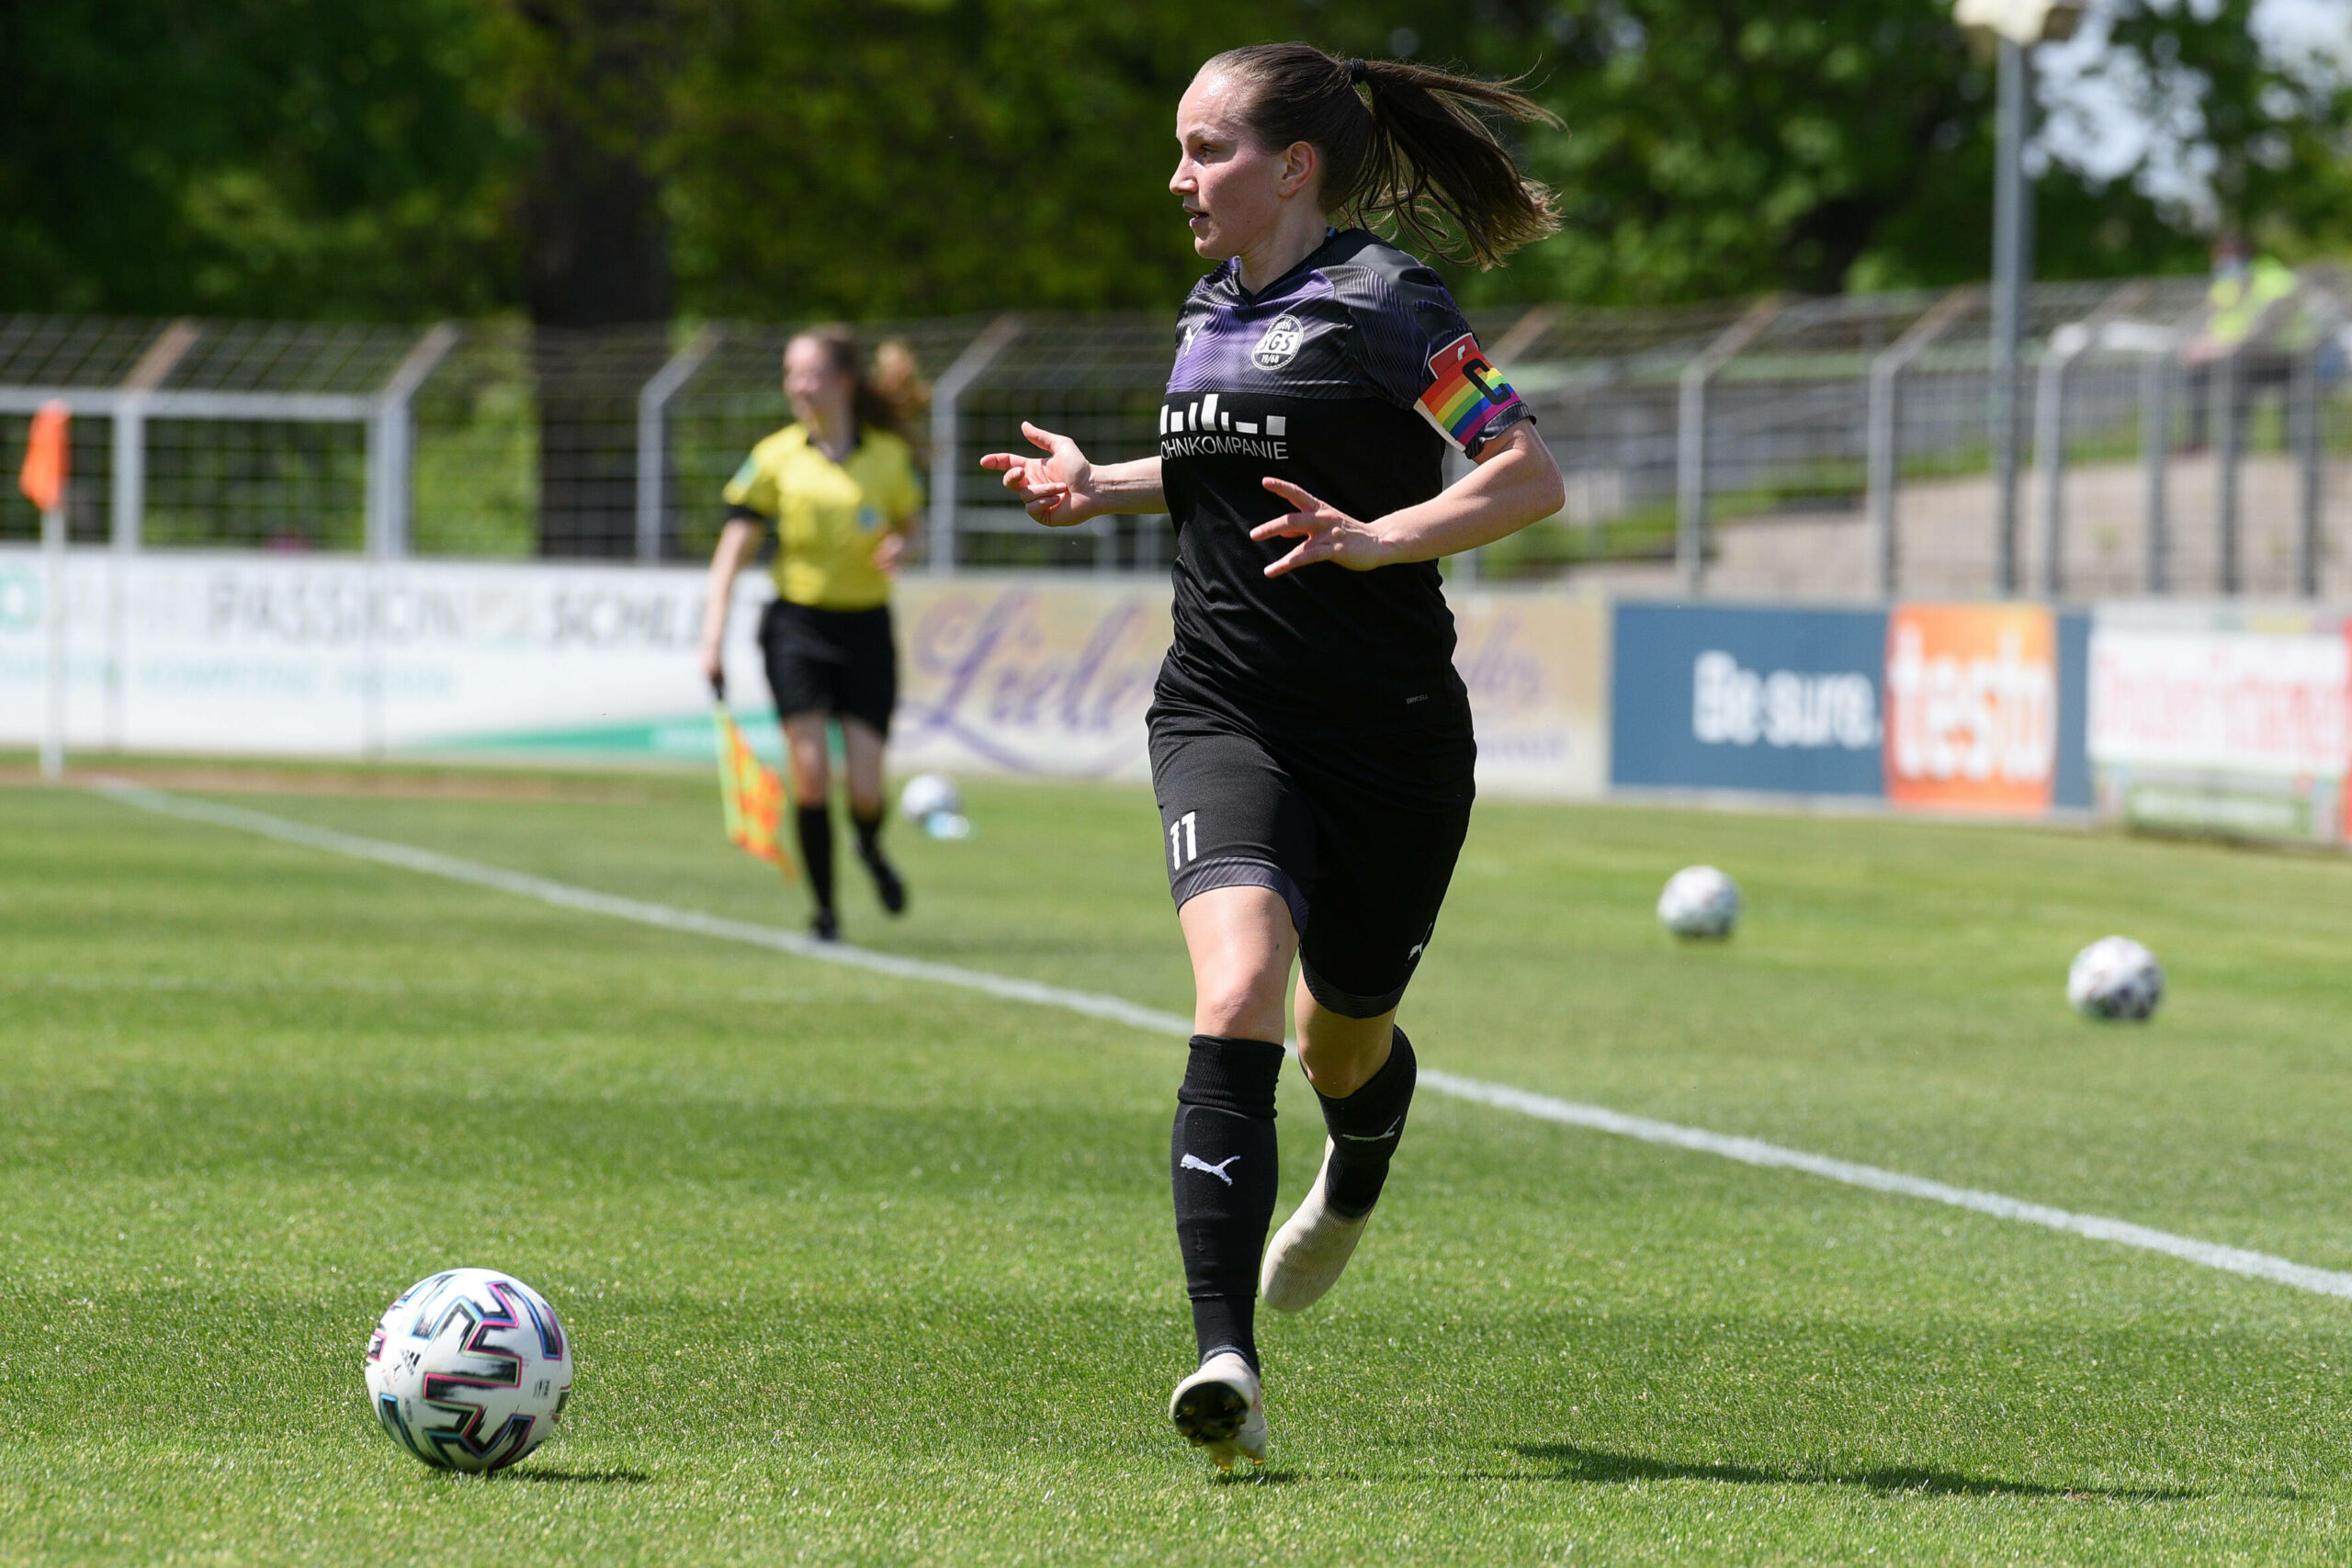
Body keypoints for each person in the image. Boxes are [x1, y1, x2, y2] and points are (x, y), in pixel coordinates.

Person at [983, 44, 1566, 1471]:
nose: (1179, 179)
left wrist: (1379, 537)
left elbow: (1523, 472)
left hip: (1392, 745)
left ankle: (1355, 1164)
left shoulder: (1388, 302)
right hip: (1222, 715)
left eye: (1206, 150)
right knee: (1238, 986)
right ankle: (1222, 1355)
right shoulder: (1207, 309)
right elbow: (1216, 467)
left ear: (1291, 166)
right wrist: (1095, 483)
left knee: (1338, 1034)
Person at [698, 326, 925, 942]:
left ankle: (871, 847)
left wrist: (903, 545)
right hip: (796, 625)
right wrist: (712, 631)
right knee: (808, 768)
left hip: (866, 629)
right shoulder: (775, 456)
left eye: (811, 373)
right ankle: (825, 912)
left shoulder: (887, 456)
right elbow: (733, 549)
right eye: (790, 373)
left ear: (844, 381)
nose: (798, 385)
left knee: (866, 786)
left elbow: (913, 523)